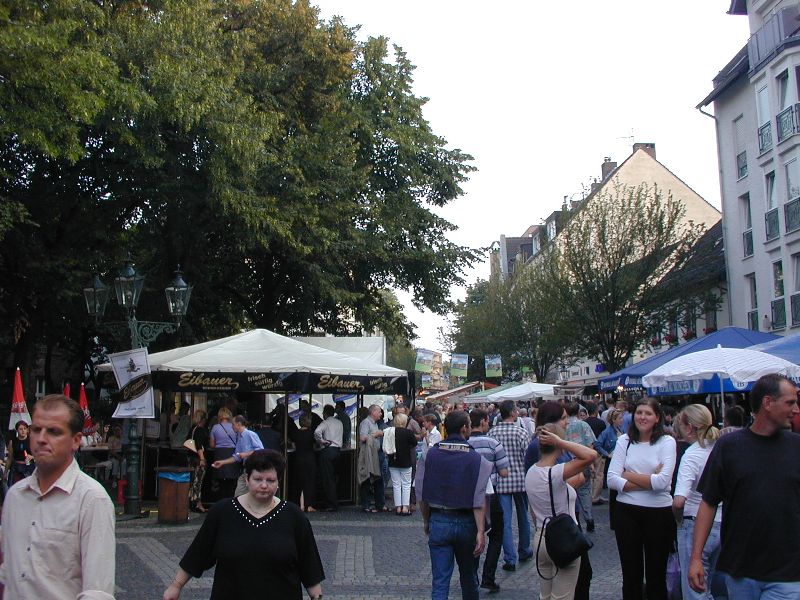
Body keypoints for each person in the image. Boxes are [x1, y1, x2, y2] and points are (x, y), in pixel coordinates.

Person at [689, 374, 800, 598]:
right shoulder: (729, 447)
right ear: (767, 403)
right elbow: (708, 502)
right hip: (740, 570)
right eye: (790, 402)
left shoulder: (796, 446)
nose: (796, 409)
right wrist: (696, 557)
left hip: (788, 572)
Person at [164, 449, 324, 600]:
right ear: (247, 479)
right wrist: (176, 586)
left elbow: (309, 566)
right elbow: (197, 555)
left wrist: (317, 597)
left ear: (278, 482)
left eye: (270, 480)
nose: (264, 485)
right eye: (258, 479)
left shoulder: (293, 516)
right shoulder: (222, 512)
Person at [0, 394, 115, 599]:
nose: (41, 439)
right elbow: (8, 574)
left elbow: (97, 592)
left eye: (54, 432)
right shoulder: (15, 497)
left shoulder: (92, 500)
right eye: (36, 429)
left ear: (76, 441)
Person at [416, 410, 492, 600]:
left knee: (440, 582)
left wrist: (426, 520)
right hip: (467, 522)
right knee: (469, 578)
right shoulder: (476, 459)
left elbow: (421, 493)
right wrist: (480, 531)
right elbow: (480, 499)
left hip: (439, 519)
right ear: (464, 428)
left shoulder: (430, 455)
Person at [607, 397, 677, 600]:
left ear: (657, 418)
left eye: (648, 413)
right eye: (639, 412)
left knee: (656, 575)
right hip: (627, 513)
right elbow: (612, 479)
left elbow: (662, 482)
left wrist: (627, 474)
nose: (642, 417)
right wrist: (649, 480)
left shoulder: (667, 442)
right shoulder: (624, 441)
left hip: (659, 513)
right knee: (631, 575)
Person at [527, 424, 597, 600]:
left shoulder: (531, 472)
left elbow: (532, 511)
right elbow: (591, 455)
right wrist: (562, 442)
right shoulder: (555, 472)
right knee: (562, 597)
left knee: (545, 596)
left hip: (541, 537)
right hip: (562, 538)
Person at [672, 404, 721, 600]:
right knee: (713, 588)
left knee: (695, 590)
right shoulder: (719, 449)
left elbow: (679, 500)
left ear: (689, 427)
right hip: (721, 523)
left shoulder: (692, 454)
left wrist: (678, 520)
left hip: (694, 522)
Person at [467, 409, 510, 595]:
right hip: (491, 495)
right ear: (484, 421)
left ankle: (472, 577)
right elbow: (504, 472)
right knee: (497, 534)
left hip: (469, 497)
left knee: (474, 534)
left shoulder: (465, 444)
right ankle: (488, 577)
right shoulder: (493, 443)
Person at [488, 400, 533, 571]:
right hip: (521, 480)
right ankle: (524, 549)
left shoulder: (492, 433)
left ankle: (510, 558)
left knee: (505, 521)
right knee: (523, 517)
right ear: (513, 413)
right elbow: (528, 457)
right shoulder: (521, 432)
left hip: (501, 482)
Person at [212, 414, 264, 497]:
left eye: (233, 424)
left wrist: (246, 454)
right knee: (239, 495)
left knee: (251, 495)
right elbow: (237, 456)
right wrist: (222, 462)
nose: (232, 427)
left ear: (238, 424)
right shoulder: (240, 437)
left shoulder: (250, 434)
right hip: (246, 470)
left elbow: (260, 450)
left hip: (255, 470)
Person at [565, 402, 597, 532]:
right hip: (583, 461)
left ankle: (574, 519)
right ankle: (589, 518)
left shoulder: (564, 426)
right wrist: (592, 464)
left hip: (568, 463)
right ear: (579, 412)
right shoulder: (584, 425)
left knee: (569, 492)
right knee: (585, 491)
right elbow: (590, 445)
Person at [314, 404, 343, 512]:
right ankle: (336, 500)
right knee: (335, 477)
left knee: (328, 478)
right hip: (338, 451)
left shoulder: (325, 422)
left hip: (328, 450)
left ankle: (331, 503)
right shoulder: (339, 422)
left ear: (325, 413)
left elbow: (317, 431)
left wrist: (321, 441)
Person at [358, 404, 387, 513]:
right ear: (373, 412)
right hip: (369, 454)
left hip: (377, 453)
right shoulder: (366, 422)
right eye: (379, 412)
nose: (381, 414)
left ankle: (380, 504)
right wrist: (376, 435)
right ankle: (365, 505)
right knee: (367, 477)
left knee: (378, 478)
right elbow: (362, 437)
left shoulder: (374, 423)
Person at [387, 413, 416, 515]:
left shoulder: (390, 431)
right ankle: (405, 507)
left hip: (393, 460)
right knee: (406, 484)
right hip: (406, 461)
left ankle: (398, 507)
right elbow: (414, 443)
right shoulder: (408, 432)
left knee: (396, 485)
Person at [289, 414, 317, 512]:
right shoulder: (312, 433)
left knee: (298, 482)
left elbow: (293, 446)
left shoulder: (295, 433)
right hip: (309, 458)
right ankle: (308, 505)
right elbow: (315, 446)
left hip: (298, 458)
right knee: (309, 482)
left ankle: (298, 504)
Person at [209, 407, 239, 498]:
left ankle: (222, 501)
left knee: (221, 481)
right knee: (232, 481)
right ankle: (231, 500)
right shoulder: (234, 427)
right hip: (232, 453)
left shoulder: (215, 427)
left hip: (220, 454)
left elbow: (212, 445)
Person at [189, 409, 209, 513]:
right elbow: (199, 445)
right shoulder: (200, 430)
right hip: (198, 459)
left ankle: (192, 502)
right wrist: (202, 458)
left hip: (191, 458)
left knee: (193, 481)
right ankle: (197, 503)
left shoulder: (192, 429)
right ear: (203, 419)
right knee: (198, 481)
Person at [8, 419, 34, 485]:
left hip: (29, 467)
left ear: (27, 430)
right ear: (17, 430)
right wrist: (5, 472)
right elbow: (9, 458)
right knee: (16, 487)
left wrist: (32, 457)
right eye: (20, 429)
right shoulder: (12, 441)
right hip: (16, 468)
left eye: (25, 429)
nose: (23, 431)